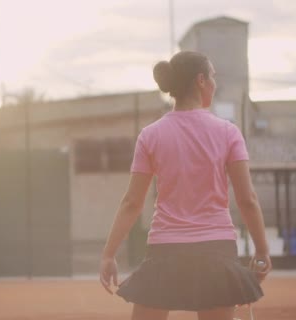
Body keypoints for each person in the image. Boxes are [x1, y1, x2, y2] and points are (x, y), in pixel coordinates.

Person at [99, 51, 272, 320]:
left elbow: (132, 203)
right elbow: (247, 199)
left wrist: (109, 255)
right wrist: (261, 251)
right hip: (216, 250)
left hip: (166, 250)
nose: (215, 83)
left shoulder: (150, 135)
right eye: (212, 76)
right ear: (201, 81)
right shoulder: (228, 132)